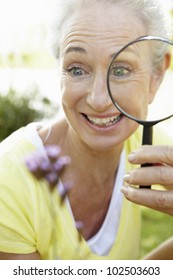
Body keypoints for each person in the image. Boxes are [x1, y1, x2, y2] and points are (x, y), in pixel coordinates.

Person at [0, 0, 173, 260]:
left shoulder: (143, 143)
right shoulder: (9, 182)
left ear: (156, 75)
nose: (99, 99)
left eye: (121, 70)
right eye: (77, 69)